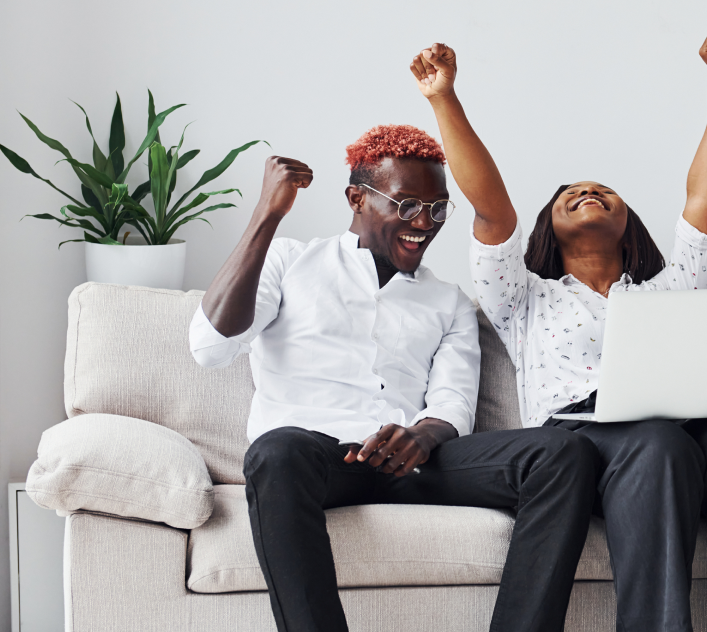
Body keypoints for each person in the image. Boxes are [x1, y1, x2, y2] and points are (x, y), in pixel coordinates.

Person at [411, 27, 707, 632]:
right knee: (658, 445)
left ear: (628, 223)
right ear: (546, 227)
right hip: (581, 450)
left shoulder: (672, 289)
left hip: (678, 435)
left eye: (603, 192)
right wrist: (444, 99)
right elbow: (491, 209)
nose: (588, 191)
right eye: (571, 194)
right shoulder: (522, 297)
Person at [188, 126, 599, 632]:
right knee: (275, 452)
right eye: (406, 205)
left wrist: (422, 437)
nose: (423, 223)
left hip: (414, 462)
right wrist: (266, 216)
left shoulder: (447, 300)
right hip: (318, 461)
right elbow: (210, 347)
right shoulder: (289, 262)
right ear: (356, 199)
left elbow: (452, 403)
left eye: (438, 208)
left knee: (563, 452)